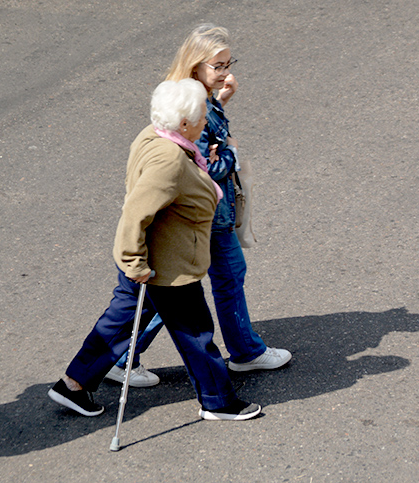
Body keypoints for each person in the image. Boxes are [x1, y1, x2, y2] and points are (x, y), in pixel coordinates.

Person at [48, 78, 261, 421]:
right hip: (165, 265)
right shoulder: (170, 160)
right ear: (185, 124)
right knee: (195, 333)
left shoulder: (153, 135)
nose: (206, 122)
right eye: (202, 117)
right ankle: (218, 401)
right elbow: (136, 212)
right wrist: (134, 263)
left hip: (150, 257)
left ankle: (73, 384)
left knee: (119, 323)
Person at [105, 24, 290, 387]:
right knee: (218, 280)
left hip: (200, 215)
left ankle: (126, 356)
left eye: (228, 62)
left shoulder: (195, 99)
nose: (226, 71)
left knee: (186, 290)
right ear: (195, 66)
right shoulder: (193, 108)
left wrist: (222, 101)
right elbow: (205, 167)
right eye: (218, 66)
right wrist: (232, 155)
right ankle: (245, 352)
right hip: (204, 215)